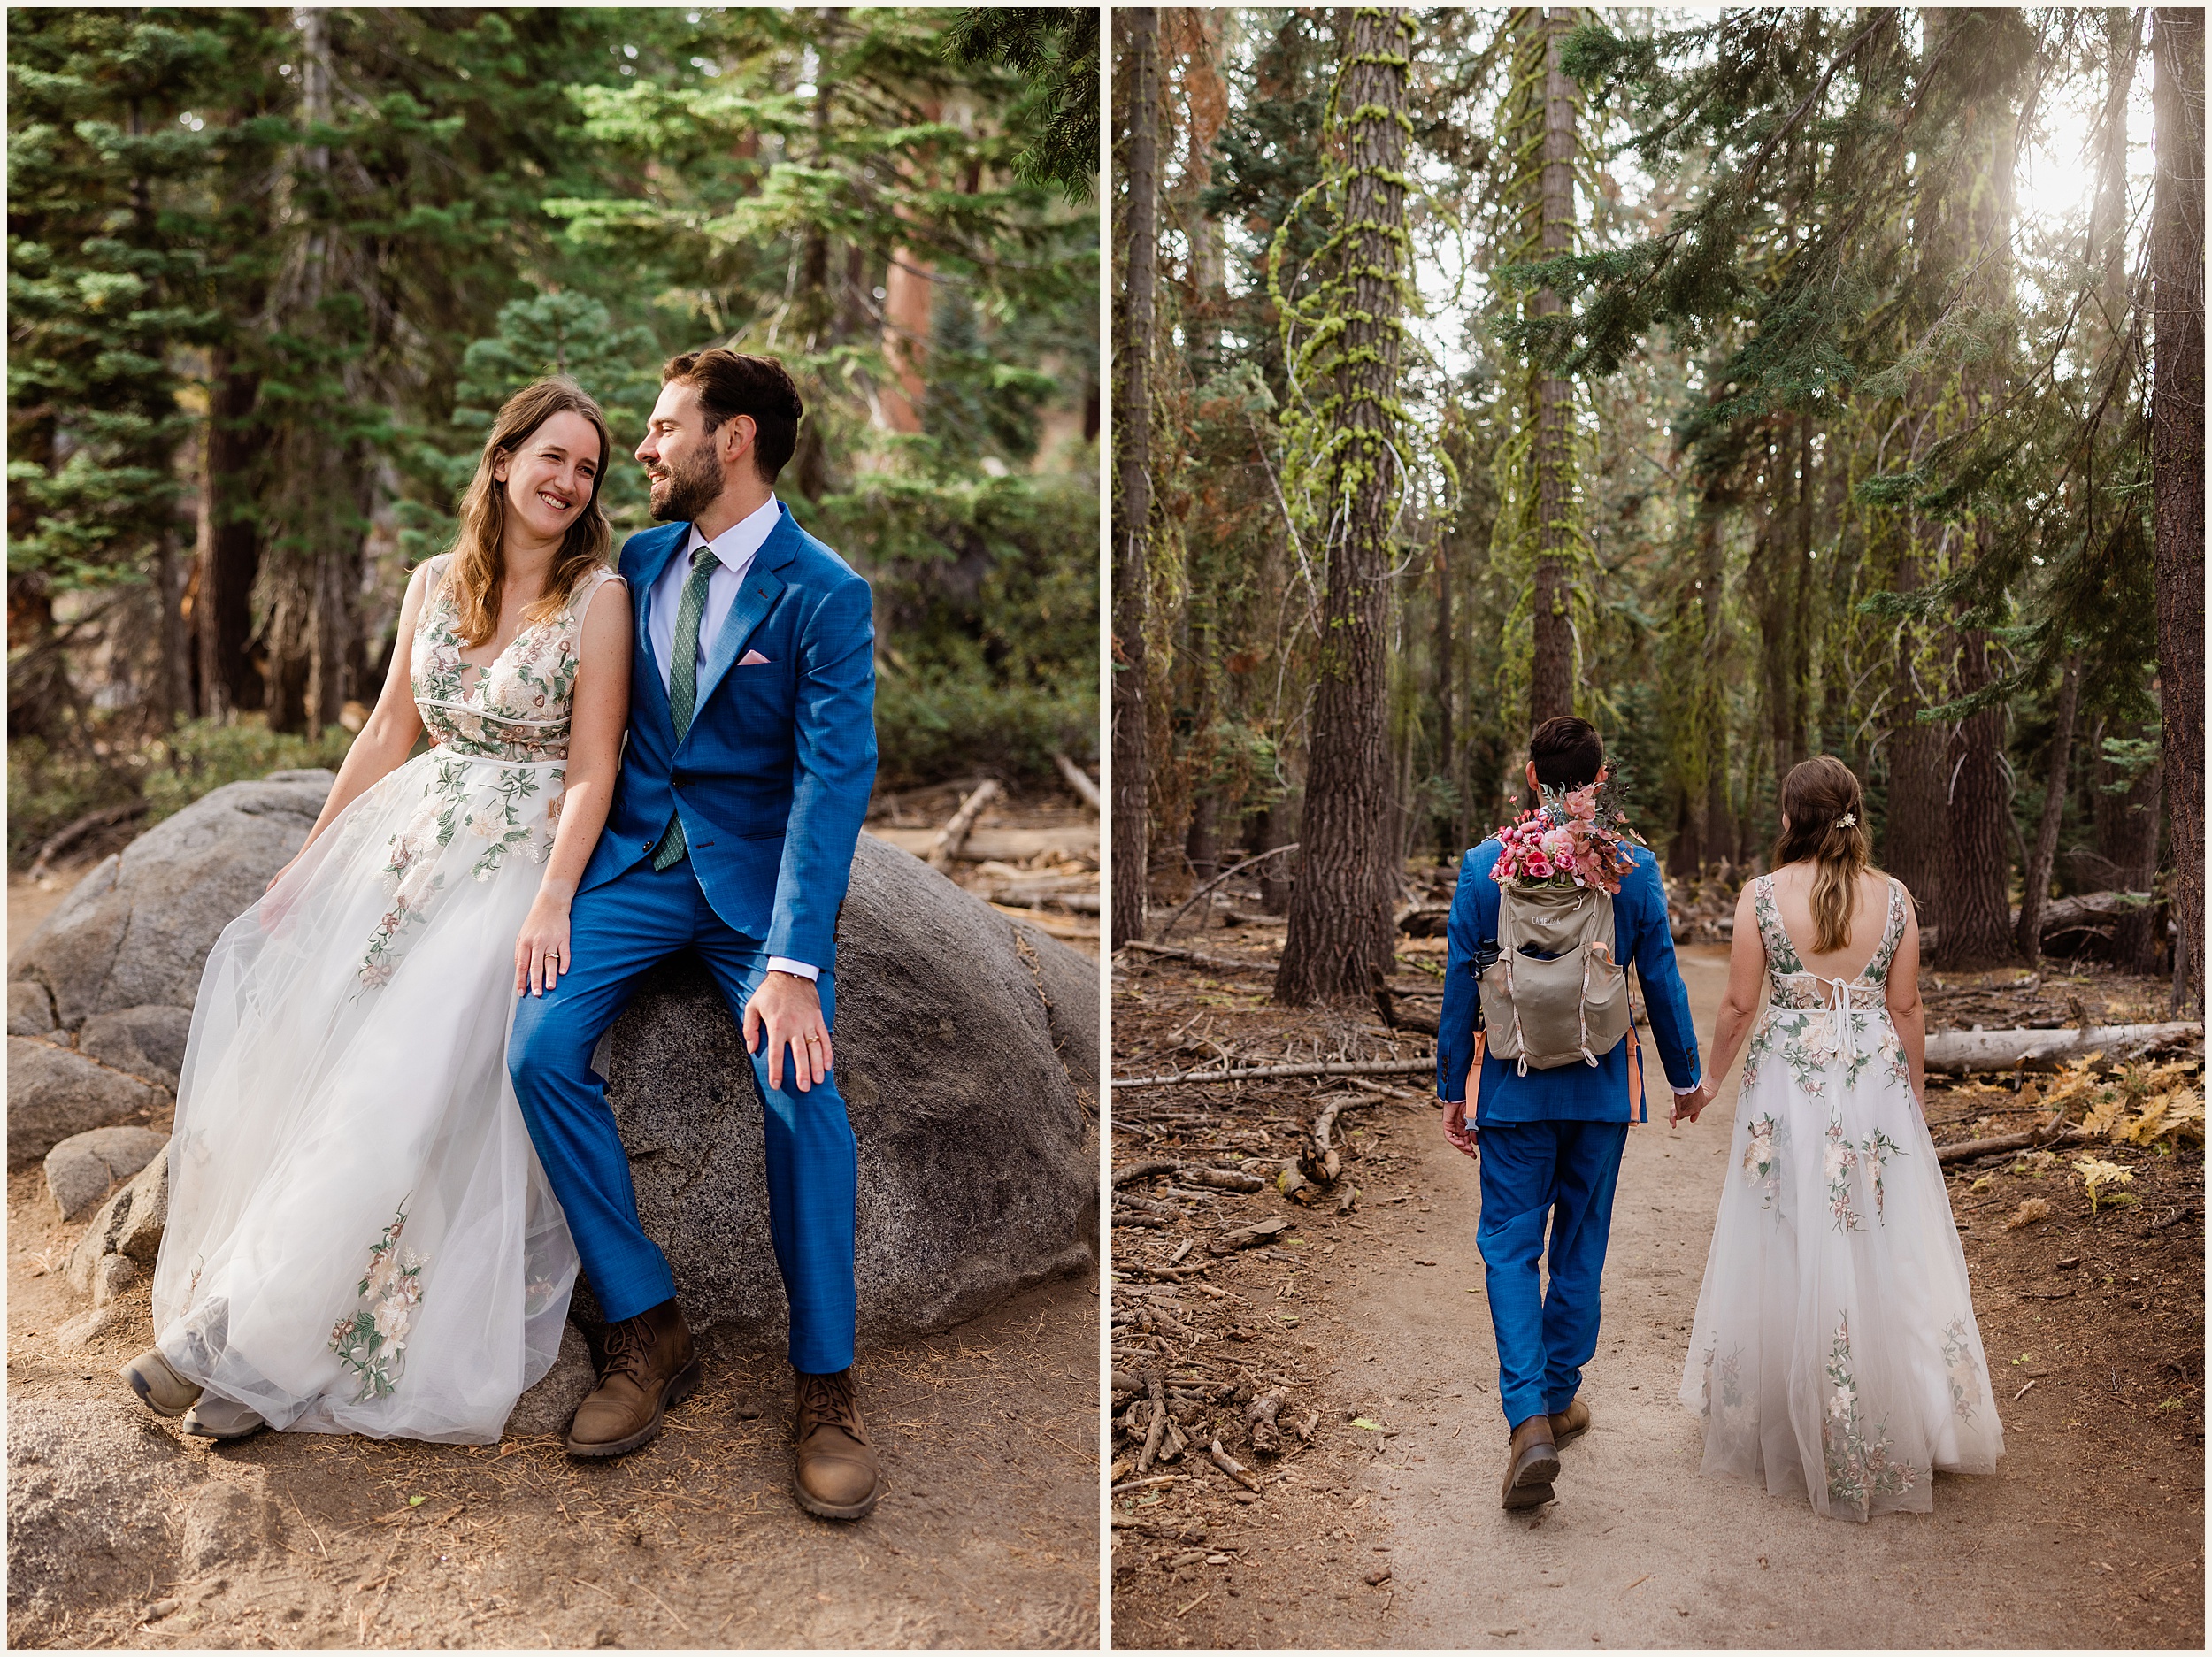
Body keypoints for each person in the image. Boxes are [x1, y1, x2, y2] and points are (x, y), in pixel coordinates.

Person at [121, 378, 630, 1443]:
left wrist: (550, 901)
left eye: (587, 467)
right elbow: (389, 729)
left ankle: (239, 1345)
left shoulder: (599, 600)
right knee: (319, 1067)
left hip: (514, 865)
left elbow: (592, 770)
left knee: (392, 1081)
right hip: (408, 855)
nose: (569, 482)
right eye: (552, 456)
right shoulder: (435, 581)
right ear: (502, 461)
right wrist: (308, 866)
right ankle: (268, 1332)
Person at [504, 349, 884, 1521]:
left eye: (666, 429)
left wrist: (793, 965)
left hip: (749, 899)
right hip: (627, 871)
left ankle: (825, 1387)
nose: (648, 450)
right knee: (535, 1050)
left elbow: (834, 780)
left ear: (735, 442)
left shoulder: (824, 591)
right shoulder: (641, 558)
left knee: (801, 1089)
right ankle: (648, 1325)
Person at [1671, 756, 2003, 1519]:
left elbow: (1736, 1005)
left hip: (1788, 1084)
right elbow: (1908, 1006)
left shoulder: (1761, 896)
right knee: (1882, 1235)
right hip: (1872, 1083)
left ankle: (1789, 1413)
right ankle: (1909, 1409)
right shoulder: (1895, 900)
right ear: (1854, 814)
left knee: (1784, 1231)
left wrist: (1711, 1081)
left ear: (1793, 817)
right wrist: (1912, 1097)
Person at [1437, 715, 1704, 1510]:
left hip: (1514, 1091)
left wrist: (1455, 1087)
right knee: (1580, 1244)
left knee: (1511, 1250)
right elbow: (1660, 976)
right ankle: (1558, 1393)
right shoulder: (1632, 867)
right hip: (1597, 1093)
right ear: (1598, 777)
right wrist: (1685, 1075)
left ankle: (1529, 1421)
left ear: (1530, 777)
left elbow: (1460, 979)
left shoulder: (1486, 868)